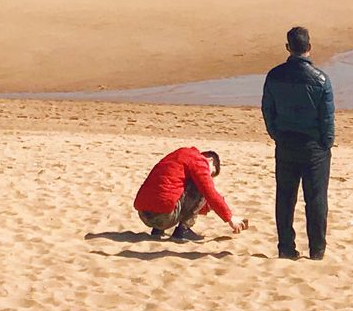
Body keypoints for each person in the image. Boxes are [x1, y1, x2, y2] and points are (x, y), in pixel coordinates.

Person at [261, 26, 334, 261]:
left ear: (288, 48)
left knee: (286, 197)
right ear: (309, 48)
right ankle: (317, 249)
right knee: (315, 198)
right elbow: (327, 117)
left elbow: (267, 110)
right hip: (312, 146)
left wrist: (276, 134)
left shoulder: (275, 75)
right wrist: (326, 143)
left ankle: (285, 247)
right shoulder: (321, 79)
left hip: (288, 143)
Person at [133, 147, 246, 242]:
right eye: (212, 172)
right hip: (164, 216)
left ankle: (157, 230)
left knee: (168, 185)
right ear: (211, 160)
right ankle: (183, 230)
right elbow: (209, 193)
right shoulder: (199, 160)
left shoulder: (180, 155)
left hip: (144, 214)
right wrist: (230, 218)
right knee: (203, 186)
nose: (209, 175)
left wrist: (211, 206)